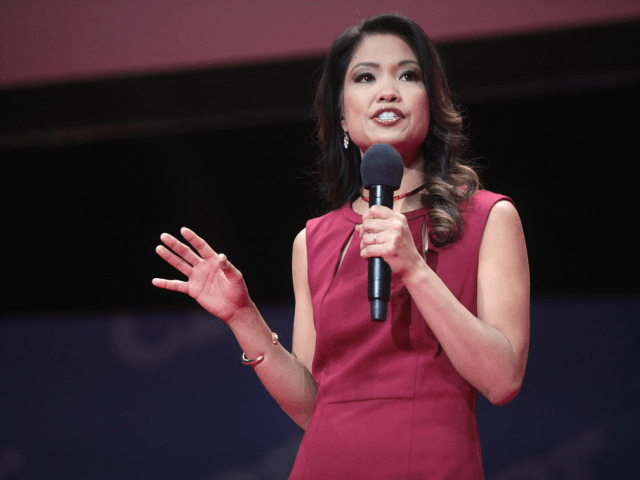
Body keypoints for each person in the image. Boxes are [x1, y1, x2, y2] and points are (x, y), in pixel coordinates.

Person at [152, 13, 529, 479]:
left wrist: (413, 268)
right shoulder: (312, 241)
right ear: (343, 117)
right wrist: (243, 317)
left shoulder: (489, 219)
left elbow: (503, 380)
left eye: (408, 75)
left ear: (431, 105)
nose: (387, 90)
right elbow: (313, 407)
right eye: (365, 77)